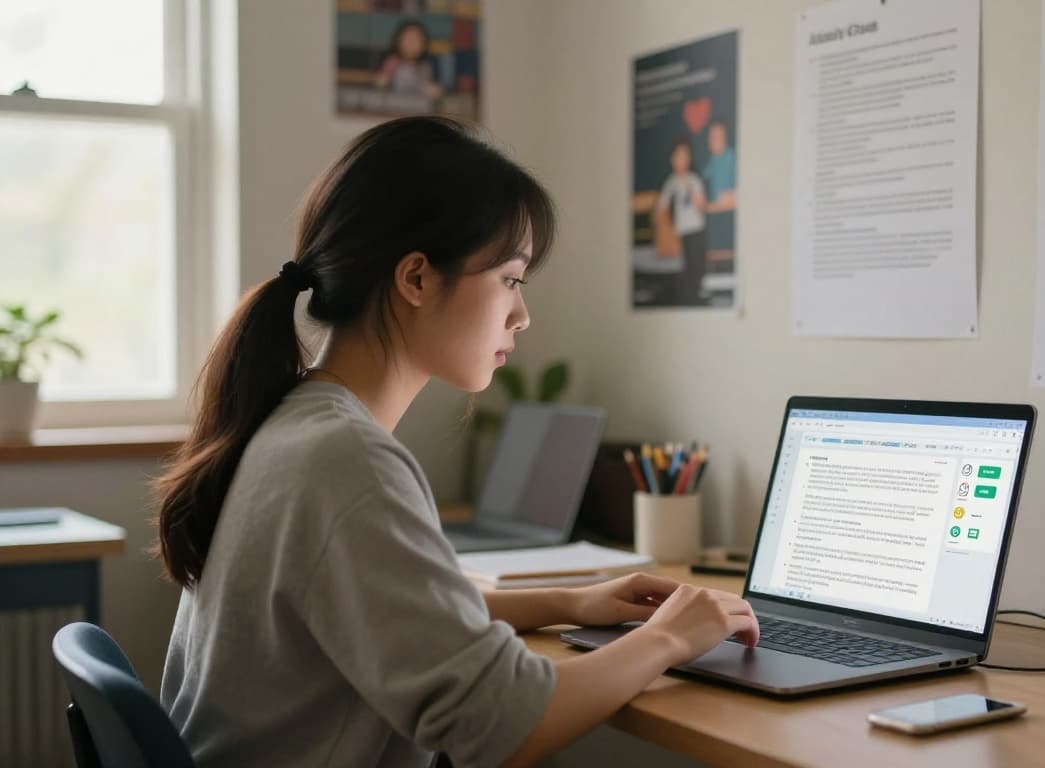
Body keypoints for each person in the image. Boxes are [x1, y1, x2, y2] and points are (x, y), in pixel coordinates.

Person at [154, 116, 759, 768]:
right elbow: (504, 725)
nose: (522, 315)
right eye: (511, 280)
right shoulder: (348, 462)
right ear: (415, 279)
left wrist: (568, 602)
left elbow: (389, 612)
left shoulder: (295, 423)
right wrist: (668, 638)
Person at [656, 137, 708, 305]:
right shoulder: (671, 182)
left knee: (697, 263)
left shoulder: (694, 179)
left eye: (686, 156)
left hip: (697, 228)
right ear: (672, 159)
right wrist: (667, 225)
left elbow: (702, 205)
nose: (682, 160)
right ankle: (688, 295)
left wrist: (694, 195)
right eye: (678, 156)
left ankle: (697, 292)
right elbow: (661, 207)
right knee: (686, 266)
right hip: (682, 230)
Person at [375, 20, 441, 98]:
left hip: (418, 104)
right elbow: (382, 81)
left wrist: (435, 90)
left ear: (424, 45)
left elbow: (431, 86)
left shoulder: (425, 66)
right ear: (398, 41)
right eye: (407, 39)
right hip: (395, 102)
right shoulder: (392, 62)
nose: (411, 43)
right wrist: (382, 81)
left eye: (416, 40)